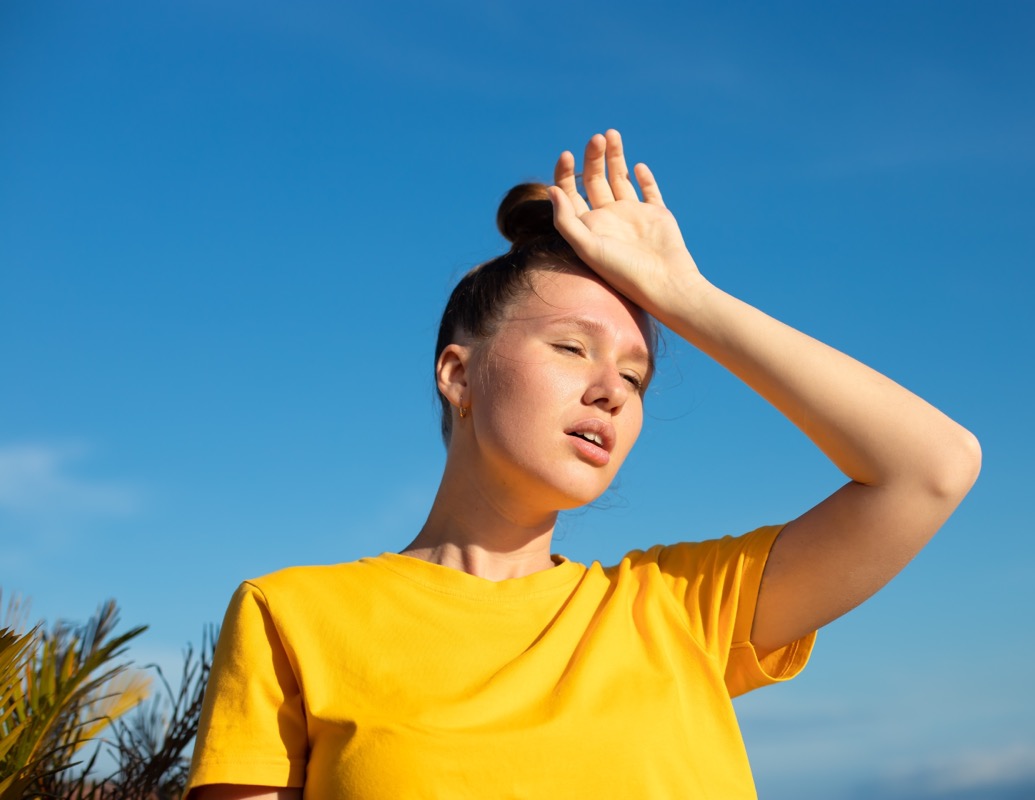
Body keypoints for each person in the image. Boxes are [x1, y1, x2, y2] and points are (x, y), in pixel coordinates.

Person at [185, 130, 981, 799]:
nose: (610, 391)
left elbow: (933, 466)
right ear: (458, 374)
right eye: (571, 348)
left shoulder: (682, 610)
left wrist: (686, 296)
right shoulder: (291, 618)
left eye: (636, 378)